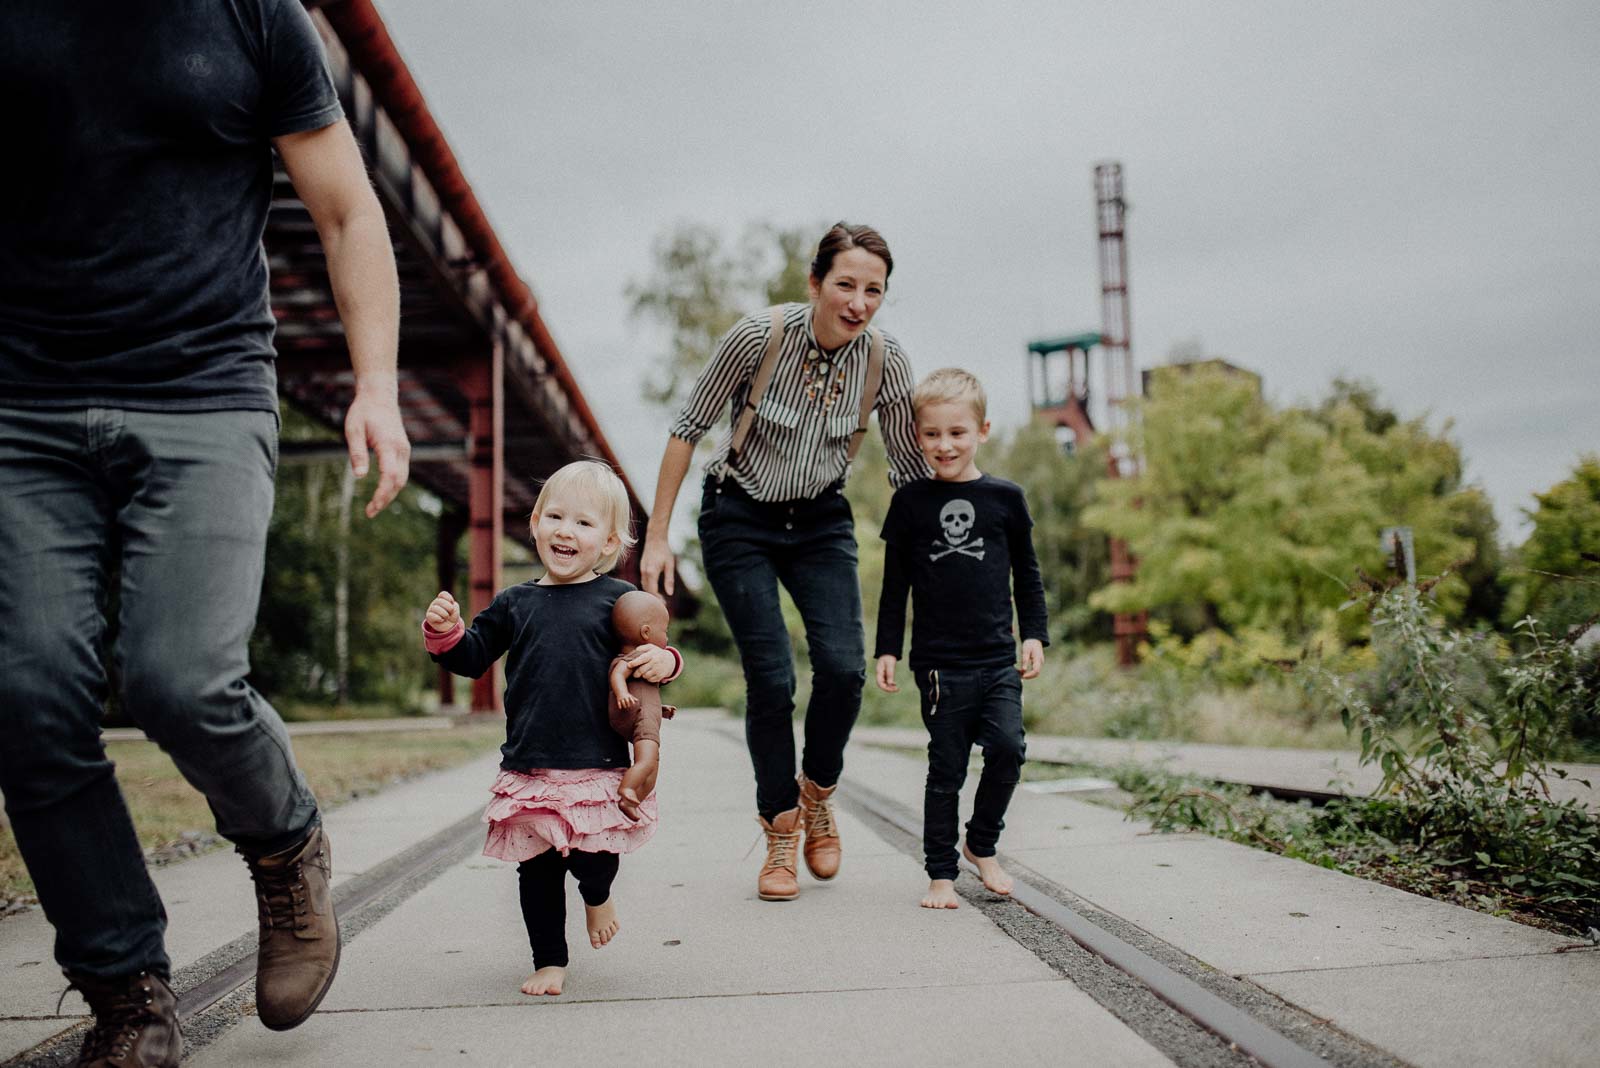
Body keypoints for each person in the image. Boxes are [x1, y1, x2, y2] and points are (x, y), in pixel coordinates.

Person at [0, 3, 409, 1064]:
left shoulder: (254, 15)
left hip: (205, 392)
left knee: (181, 675)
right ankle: (126, 992)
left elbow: (349, 212)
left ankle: (284, 847)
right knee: (27, 696)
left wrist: (375, 387)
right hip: (22, 405)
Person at [641, 222, 929, 901]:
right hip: (737, 515)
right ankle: (779, 830)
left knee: (842, 669)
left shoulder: (886, 362)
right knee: (771, 680)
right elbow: (687, 429)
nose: (859, 303)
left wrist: (944, 551)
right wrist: (656, 537)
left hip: (820, 521)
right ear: (815, 283)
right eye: (846, 285)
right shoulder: (757, 338)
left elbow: (909, 471)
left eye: (874, 291)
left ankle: (817, 791)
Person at [422, 460, 682, 997]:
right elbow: (472, 658)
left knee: (593, 859)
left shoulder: (618, 602)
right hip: (532, 762)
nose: (566, 530)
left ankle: (597, 896)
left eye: (583, 524)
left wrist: (667, 662)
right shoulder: (515, 603)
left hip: (597, 763)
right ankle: (549, 961)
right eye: (555, 517)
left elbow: (652, 650)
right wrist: (445, 632)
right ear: (536, 522)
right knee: (536, 872)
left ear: (608, 541)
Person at [872, 369, 1049, 909]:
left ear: (982, 431)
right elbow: (895, 584)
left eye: (957, 433)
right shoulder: (909, 503)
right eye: (931, 434)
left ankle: (981, 843)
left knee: (1007, 749)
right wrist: (887, 648)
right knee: (945, 768)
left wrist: (1035, 634)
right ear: (916, 436)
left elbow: (1028, 574)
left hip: (997, 657)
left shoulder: (1006, 499)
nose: (944, 445)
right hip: (939, 667)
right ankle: (941, 875)